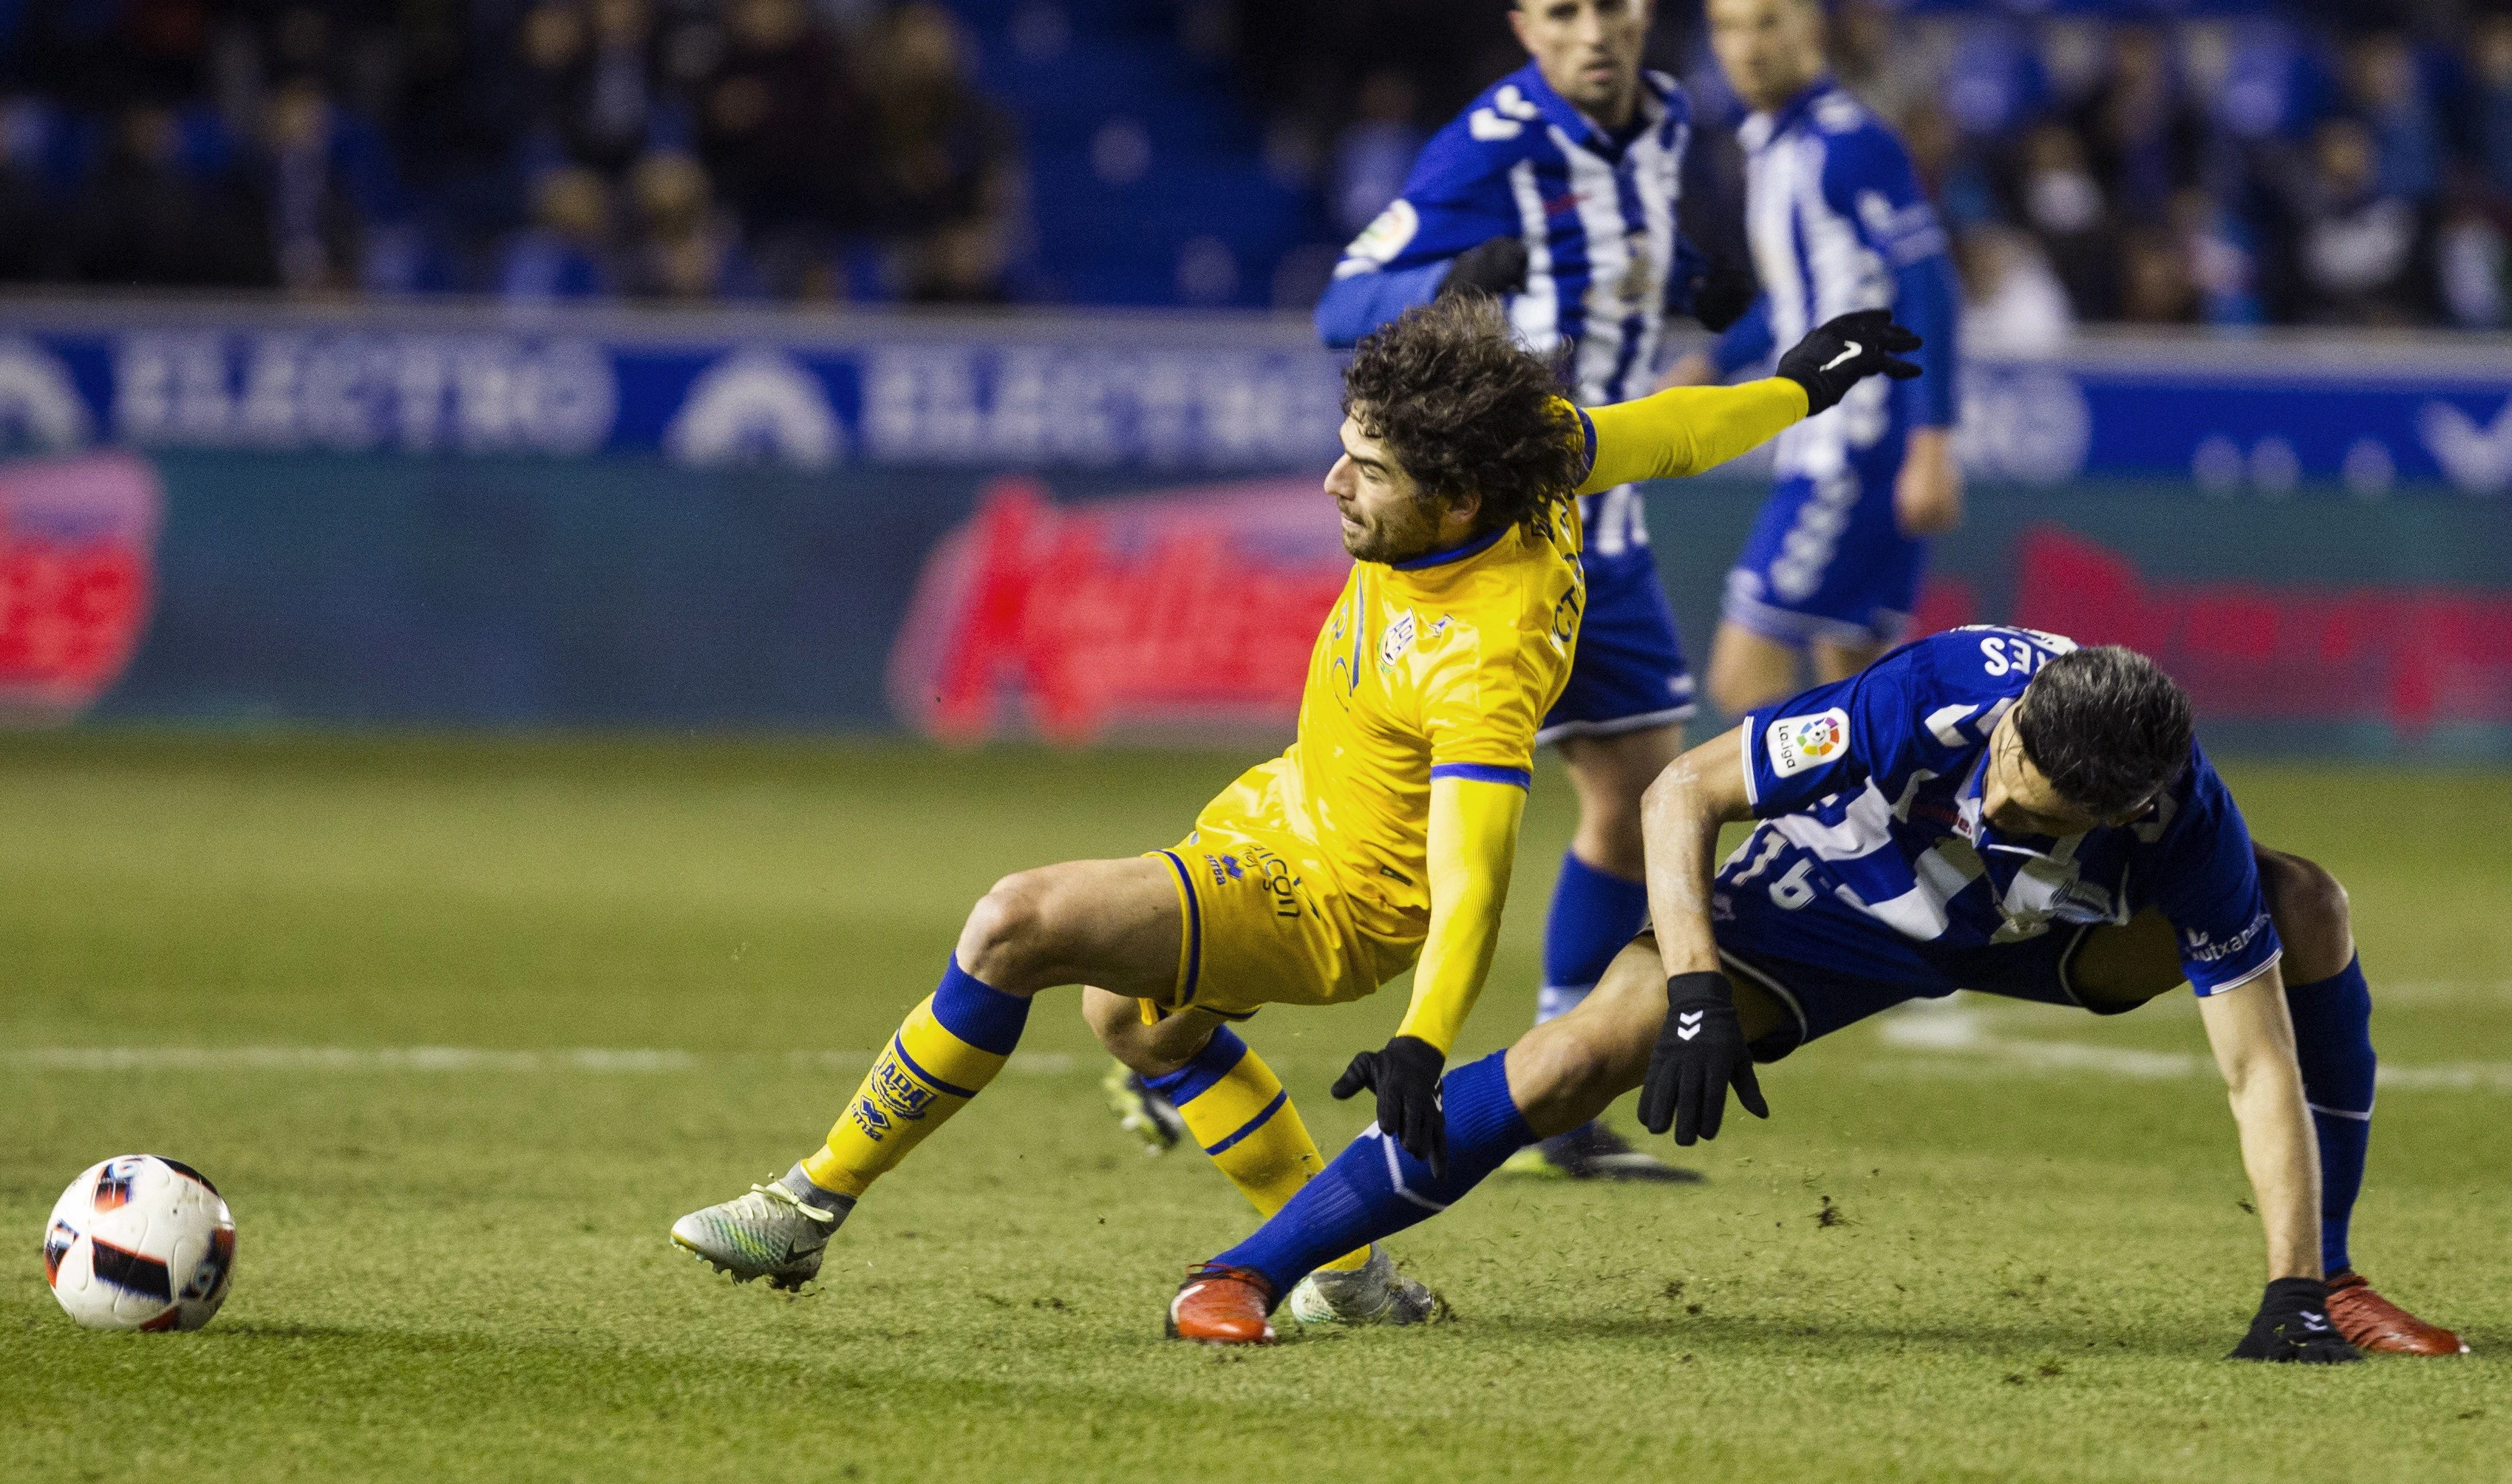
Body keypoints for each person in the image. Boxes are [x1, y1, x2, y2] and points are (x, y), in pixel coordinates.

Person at [668, 296, 1919, 1325]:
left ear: (1457, 503)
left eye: (1366, 470)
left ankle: (804, 1205)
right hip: (1278, 808)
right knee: (1136, 1027)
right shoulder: (1526, 453)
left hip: (1332, 898)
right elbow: (1675, 432)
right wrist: (1802, 386)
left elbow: (1475, 876)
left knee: (1014, 922)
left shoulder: (1480, 658)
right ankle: (1346, 1270)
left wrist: (1425, 1038)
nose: (1329, 483)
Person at [1166, 630, 2466, 1359]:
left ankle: (2328, 1285)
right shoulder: (1929, 697)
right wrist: (1687, 992)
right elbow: (1679, 790)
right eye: (2005, 761)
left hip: (2042, 936)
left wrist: (2280, 1282)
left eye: (2032, 803)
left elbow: (2251, 1065)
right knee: (1582, 1051)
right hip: (1832, 909)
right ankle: (1242, 1271)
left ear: (2128, 806)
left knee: (2304, 905)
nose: (1996, 791)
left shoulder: (2186, 822)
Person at [1296, 0, 1758, 1183]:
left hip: (1604, 520)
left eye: (1613, 7)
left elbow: (1628, 268)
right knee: (1401, 831)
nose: (1594, 32)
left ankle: (1562, 1079)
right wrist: (1454, 273)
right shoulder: (1488, 143)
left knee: (1640, 790)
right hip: (1498, 539)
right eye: (1563, 11)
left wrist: (1699, 287)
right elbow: (1342, 302)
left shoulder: (1662, 119)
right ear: (1523, 24)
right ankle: (1177, 1013)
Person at [1661, 0, 1963, 718]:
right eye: (1728, 28)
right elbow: (1806, 299)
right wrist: (1713, 363)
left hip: (1851, 449)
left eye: (1767, 23)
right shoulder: (1774, 145)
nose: (1746, 46)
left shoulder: (1849, 142)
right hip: (1836, 446)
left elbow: (1926, 284)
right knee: (1859, 692)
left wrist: (1931, 444)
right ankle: (1892, 828)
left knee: (1742, 679)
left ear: (1811, 30)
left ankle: (1814, 833)